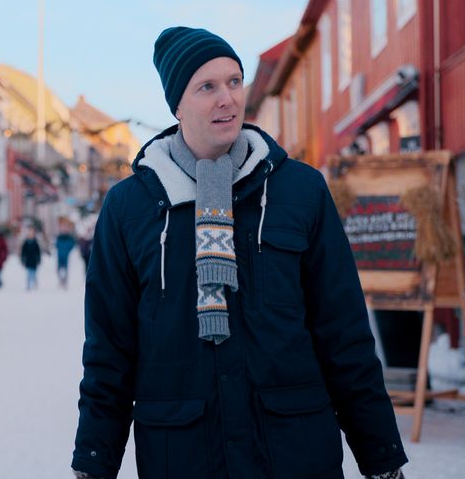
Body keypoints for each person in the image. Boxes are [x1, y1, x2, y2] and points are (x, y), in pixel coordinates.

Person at [71, 27, 406, 479]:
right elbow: (109, 349)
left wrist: (380, 454)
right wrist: (94, 462)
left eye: (234, 81)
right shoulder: (130, 207)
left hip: (295, 452)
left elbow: (342, 331)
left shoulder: (300, 190)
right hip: (184, 454)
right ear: (177, 104)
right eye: (206, 87)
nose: (226, 98)